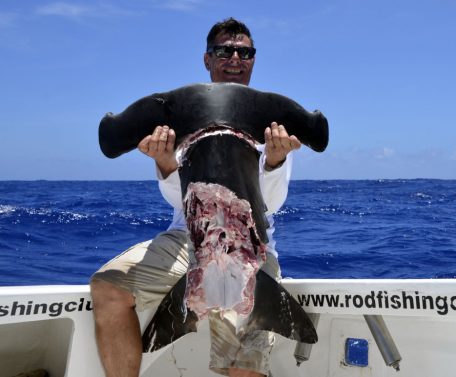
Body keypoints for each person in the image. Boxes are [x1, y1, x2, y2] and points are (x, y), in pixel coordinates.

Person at [90, 17, 301, 377]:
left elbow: (271, 205)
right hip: (188, 238)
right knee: (108, 287)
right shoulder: (181, 118)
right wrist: (166, 162)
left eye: (244, 52)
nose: (235, 58)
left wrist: (276, 160)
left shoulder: (269, 125)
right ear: (207, 60)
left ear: (253, 59)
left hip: (248, 245)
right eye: (224, 51)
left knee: (243, 368)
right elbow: (179, 201)